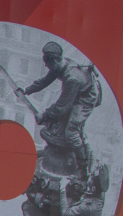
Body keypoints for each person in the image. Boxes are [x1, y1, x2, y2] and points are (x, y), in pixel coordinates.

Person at [17, 42, 102, 174]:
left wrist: (44, 115)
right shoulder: (60, 65)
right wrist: (27, 90)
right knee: (60, 124)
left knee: (72, 133)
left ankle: (82, 167)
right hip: (77, 92)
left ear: (55, 61)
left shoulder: (71, 78)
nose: (46, 66)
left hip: (85, 98)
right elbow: (46, 80)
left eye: (48, 64)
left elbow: (61, 107)